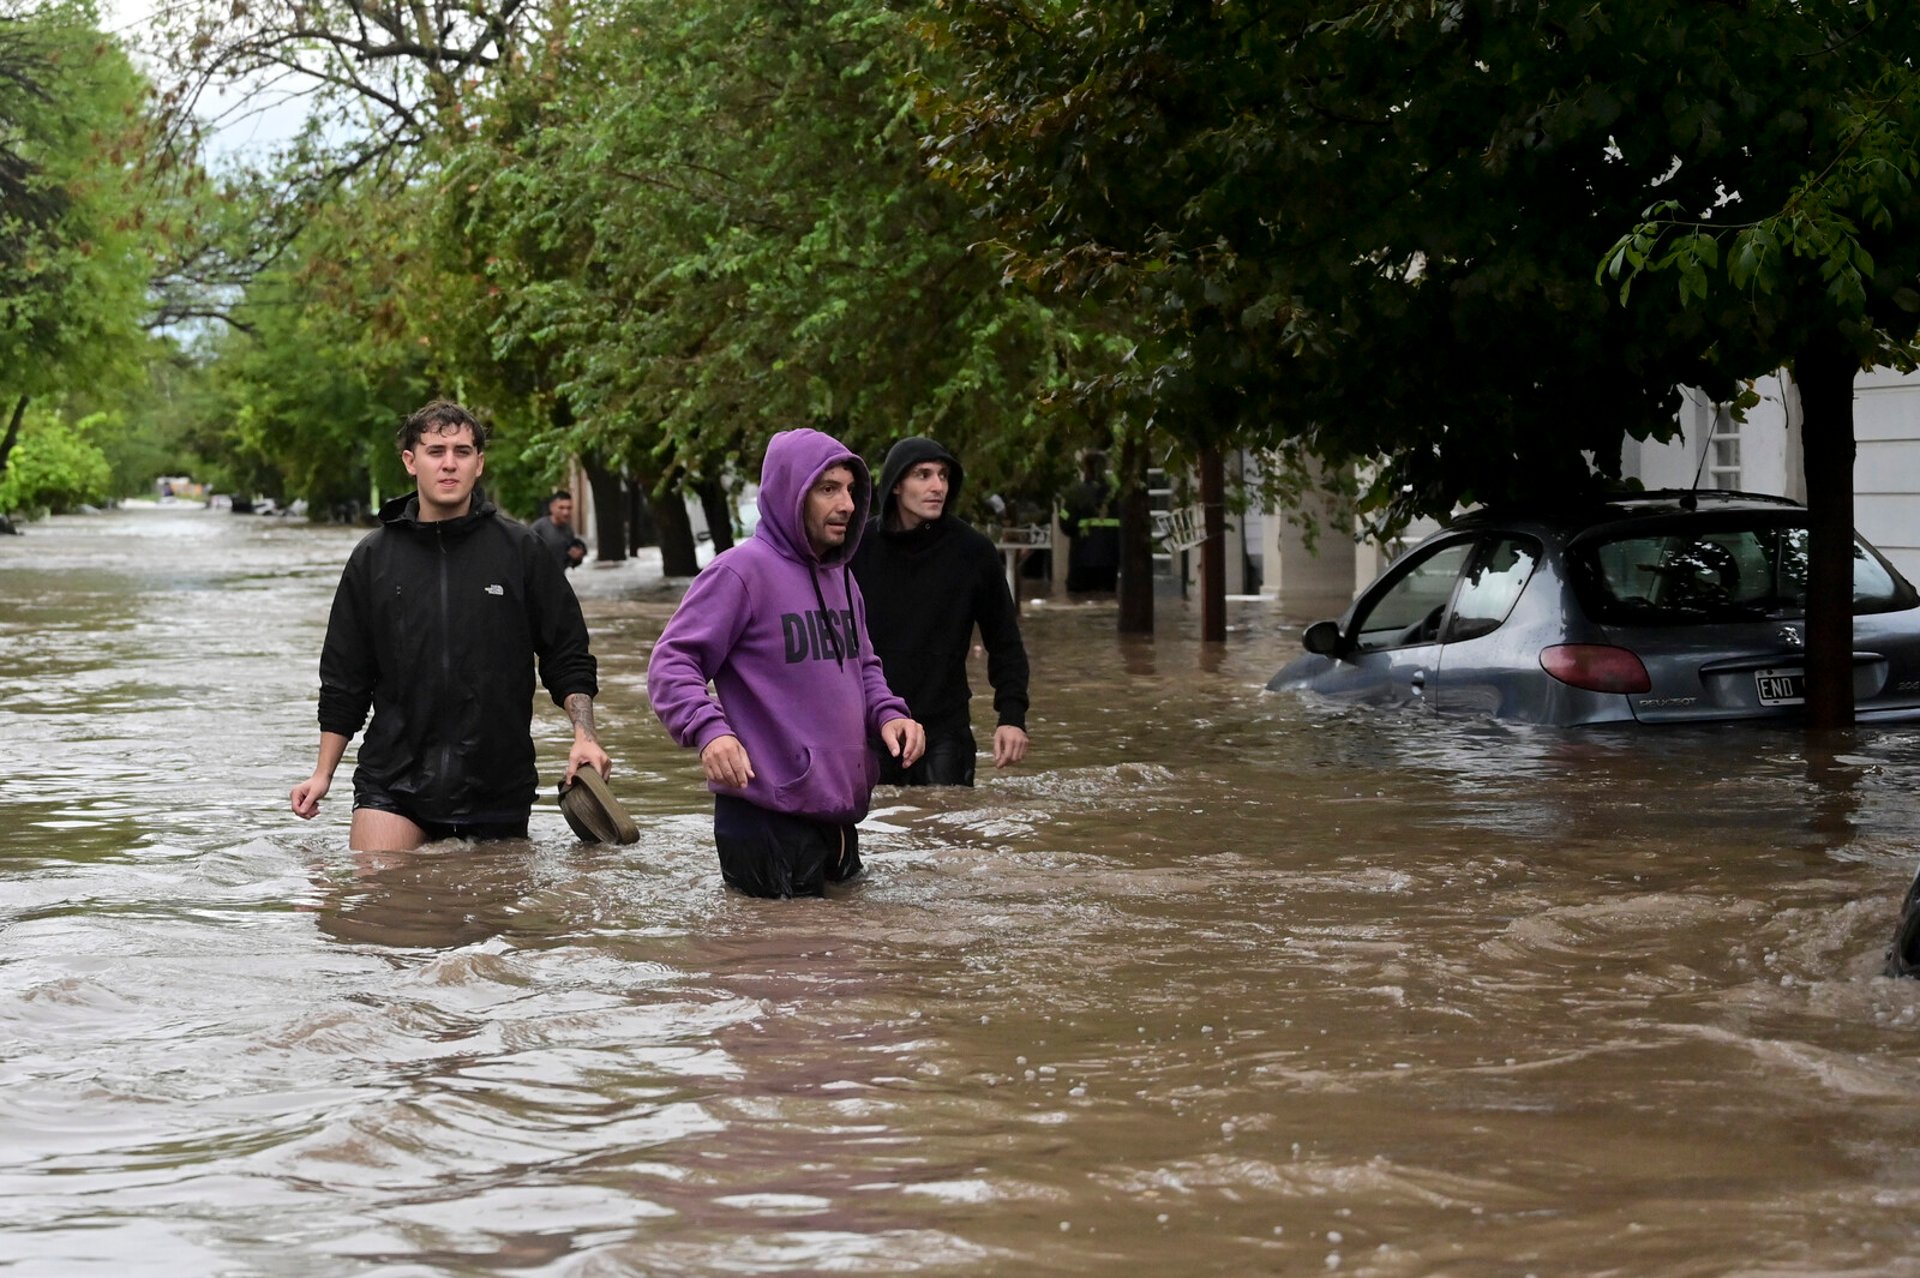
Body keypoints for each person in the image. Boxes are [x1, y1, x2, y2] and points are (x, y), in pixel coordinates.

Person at [290, 400, 611, 850]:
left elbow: (567, 655)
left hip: (497, 784)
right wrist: (322, 774)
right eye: (435, 450)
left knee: (486, 915)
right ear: (410, 461)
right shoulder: (373, 559)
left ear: (479, 464)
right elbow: (345, 677)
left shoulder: (522, 551)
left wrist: (585, 737)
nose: (448, 464)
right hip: (394, 781)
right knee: (376, 894)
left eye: (462, 452)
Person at [646, 427, 925, 898]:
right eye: (827, 489)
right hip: (763, 819)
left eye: (851, 491)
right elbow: (672, 663)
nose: (847, 506)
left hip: (835, 816)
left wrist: (890, 714)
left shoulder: (842, 578)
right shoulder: (738, 572)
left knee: (849, 964)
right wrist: (709, 731)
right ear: (789, 494)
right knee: (773, 965)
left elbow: (864, 666)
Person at [849, 437, 1030, 786]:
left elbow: (1005, 641)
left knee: (948, 832)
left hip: (945, 730)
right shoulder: (856, 549)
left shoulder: (973, 552)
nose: (937, 486)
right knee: (877, 835)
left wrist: (1012, 716)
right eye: (924, 475)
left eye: (944, 476)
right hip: (869, 727)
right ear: (897, 484)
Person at [1062, 451, 1120, 591]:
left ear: (1086, 468)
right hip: (1110, 561)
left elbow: (1065, 523)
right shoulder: (1115, 494)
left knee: (1079, 601)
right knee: (1107, 601)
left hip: (1081, 560)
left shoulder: (1075, 493)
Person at [531, 490, 576, 568]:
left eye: (569, 508)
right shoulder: (539, 527)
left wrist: (576, 556)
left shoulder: (568, 530)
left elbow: (569, 560)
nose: (566, 512)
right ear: (551, 507)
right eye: (561, 508)